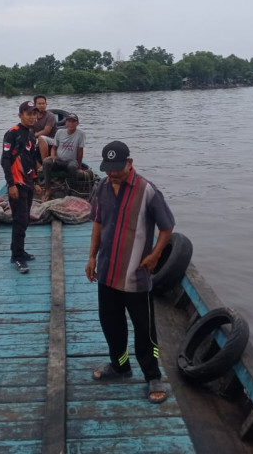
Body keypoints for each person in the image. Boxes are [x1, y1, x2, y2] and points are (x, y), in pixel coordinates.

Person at [85, 140, 175, 404]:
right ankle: (120, 364)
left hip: (136, 274)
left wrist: (156, 254)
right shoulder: (101, 187)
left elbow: (167, 226)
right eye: (108, 168)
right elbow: (98, 223)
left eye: (117, 168)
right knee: (111, 324)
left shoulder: (148, 191)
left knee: (144, 329)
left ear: (130, 163)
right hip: (107, 272)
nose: (112, 173)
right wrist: (91, 257)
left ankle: (152, 375)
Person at [0, 100, 42, 274]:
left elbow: (32, 160)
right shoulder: (12, 133)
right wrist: (11, 184)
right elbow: (5, 160)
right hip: (17, 183)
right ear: (20, 115)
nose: (32, 117)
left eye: (34, 113)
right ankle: (16, 257)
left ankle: (20, 251)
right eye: (28, 113)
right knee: (20, 220)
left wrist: (37, 181)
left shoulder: (32, 135)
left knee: (24, 220)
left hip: (28, 183)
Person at [42, 112, 85, 201]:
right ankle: (48, 189)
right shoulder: (60, 132)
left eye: (74, 121)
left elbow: (80, 151)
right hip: (58, 160)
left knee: (73, 166)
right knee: (46, 162)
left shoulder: (80, 134)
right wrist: (52, 156)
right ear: (66, 123)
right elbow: (54, 148)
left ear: (77, 123)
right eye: (69, 121)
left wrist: (79, 167)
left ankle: (73, 190)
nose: (71, 124)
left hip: (70, 161)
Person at [32, 94, 57, 160]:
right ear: (35, 105)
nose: (42, 105)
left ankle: (45, 163)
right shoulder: (33, 116)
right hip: (40, 140)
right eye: (39, 104)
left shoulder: (50, 116)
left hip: (53, 140)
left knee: (41, 138)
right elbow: (31, 130)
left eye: (43, 103)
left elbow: (46, 131)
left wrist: (33, 136)